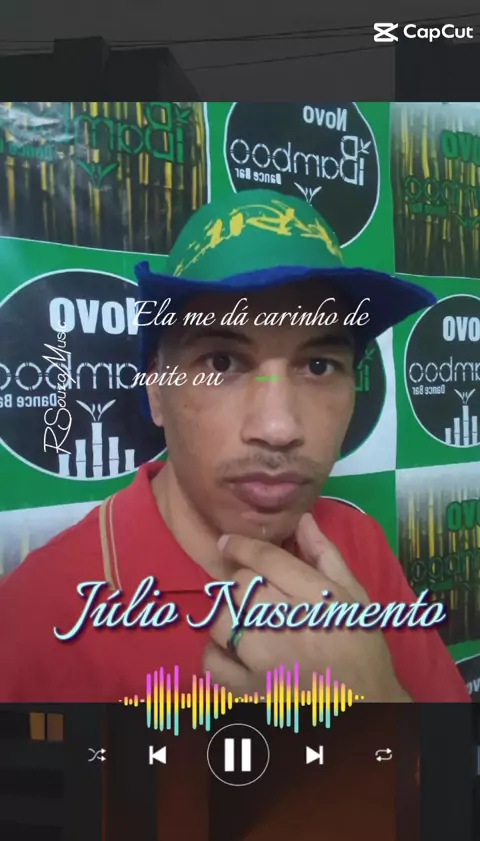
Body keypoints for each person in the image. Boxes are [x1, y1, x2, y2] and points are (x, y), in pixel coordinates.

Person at [0, 189, 469, 702]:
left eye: (318, 366)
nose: (278, 427)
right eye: (221, 362)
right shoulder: (35, 615)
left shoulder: (356, 545)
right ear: (156, 392)